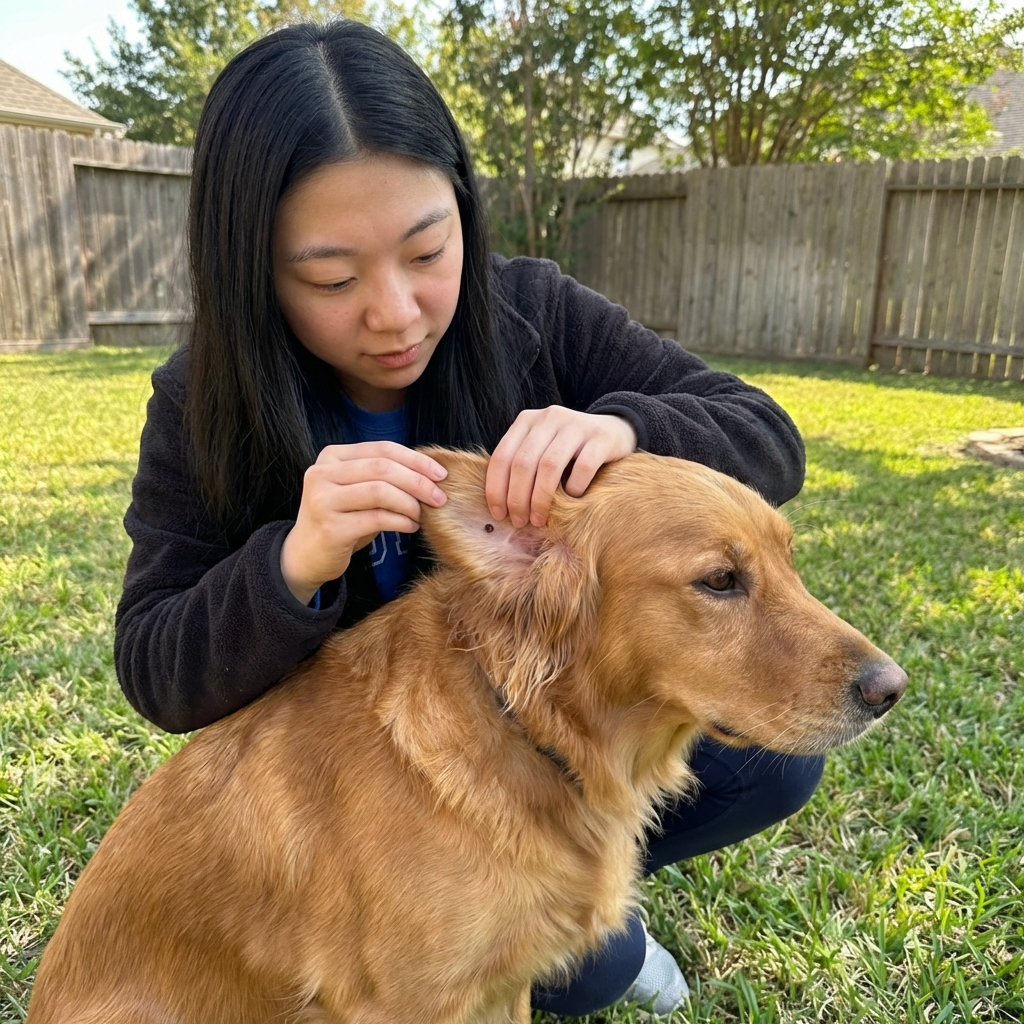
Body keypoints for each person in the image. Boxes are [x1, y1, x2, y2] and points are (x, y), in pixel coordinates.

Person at [114, 19, 825, 1017]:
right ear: (253, 270)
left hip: (542, 736)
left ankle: (568, 891)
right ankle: (545, 920)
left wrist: (621, 426)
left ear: (463, 213)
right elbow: (154, 664)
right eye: (330, 278)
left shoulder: (532, 311)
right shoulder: (202, 402)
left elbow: (765, 433)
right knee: (585, 971)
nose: (397, 312)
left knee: (775, 765)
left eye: (426, 249)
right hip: (365, 797)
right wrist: (292, 563)